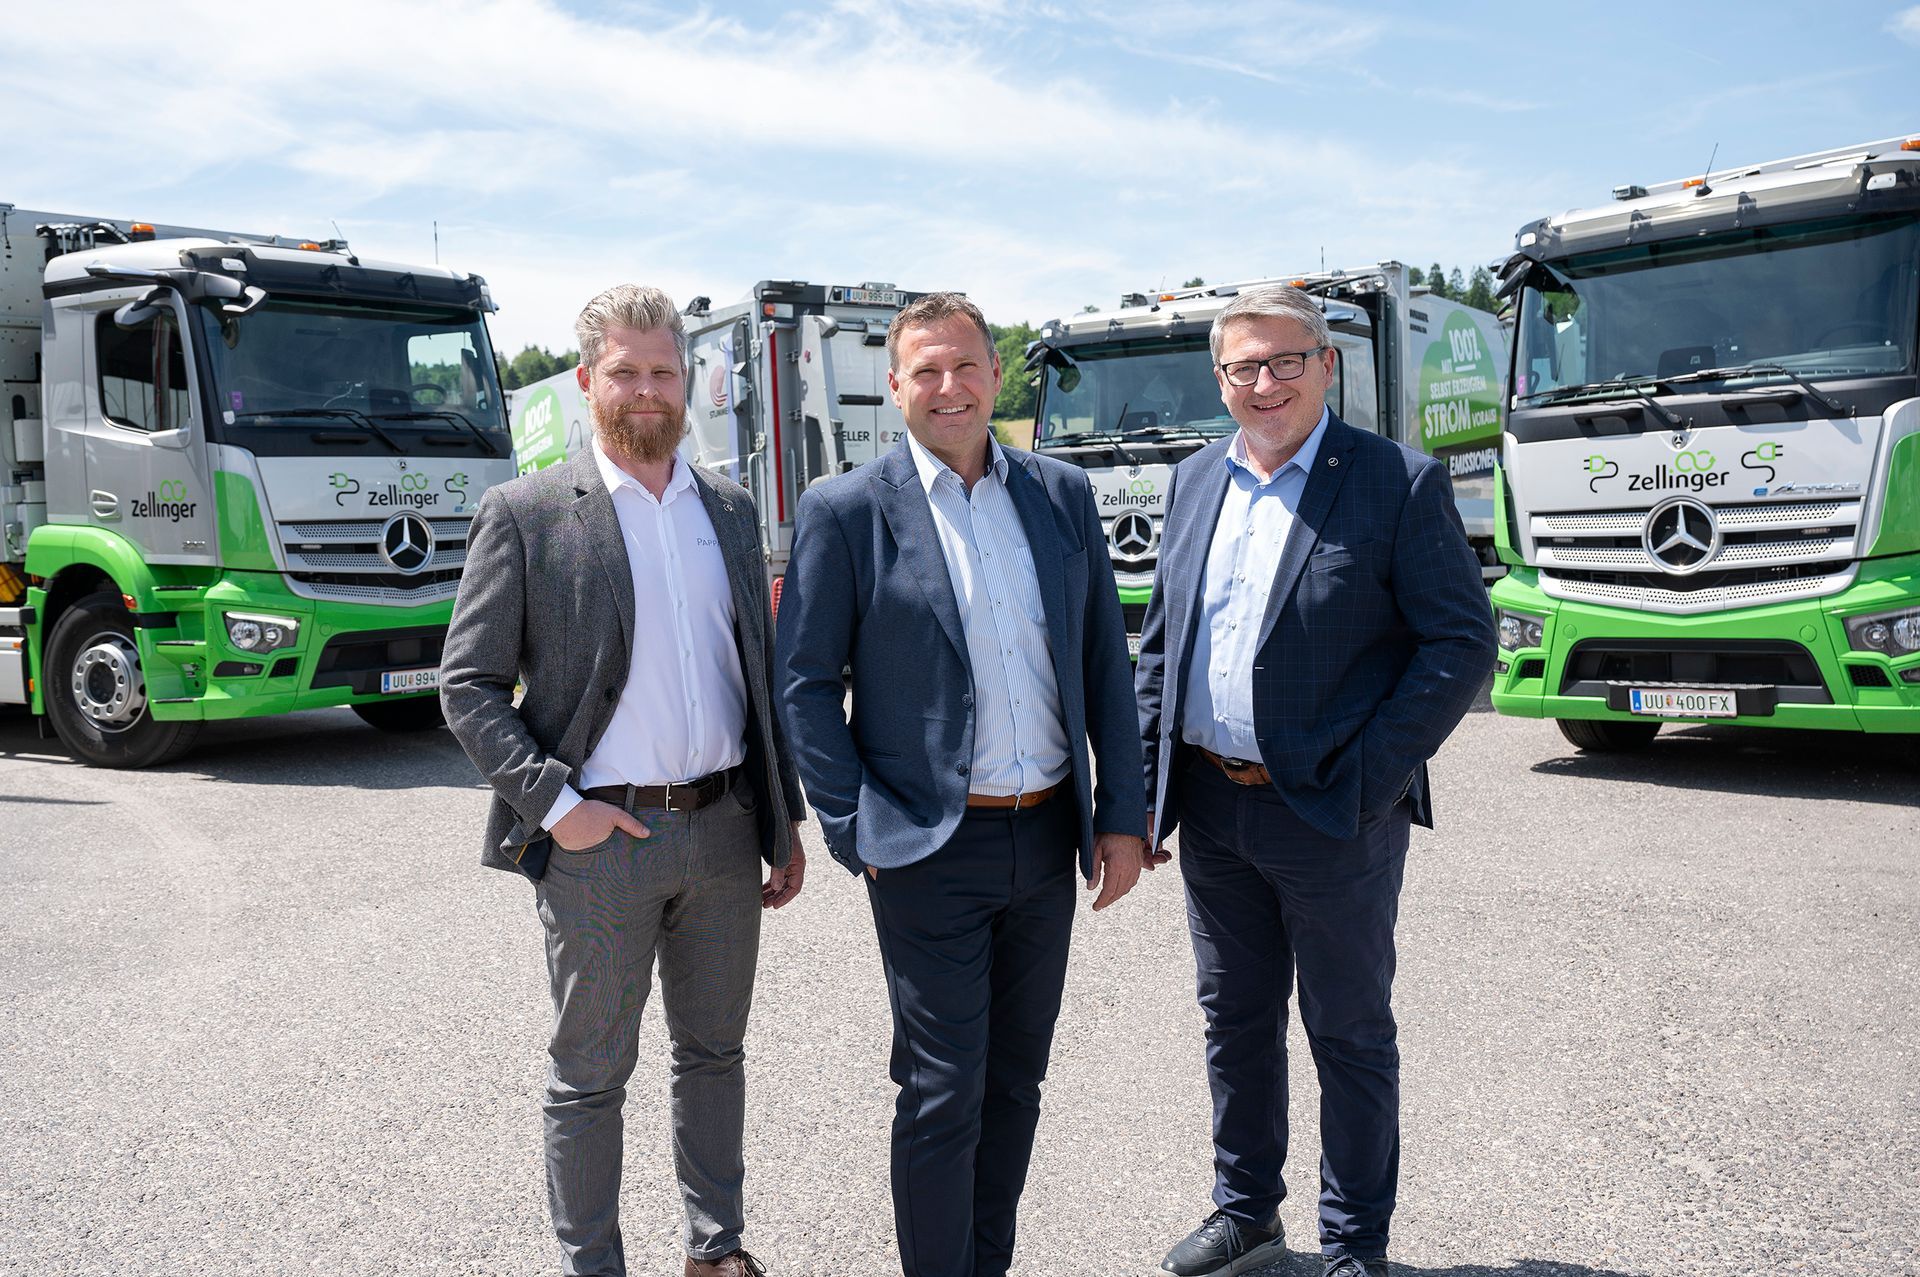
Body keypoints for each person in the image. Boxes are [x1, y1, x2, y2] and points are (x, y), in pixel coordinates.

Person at [774, 292, 1147, 1277]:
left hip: (1046, 842)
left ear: (997, 376)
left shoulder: (1060, 495)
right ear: (896, 386)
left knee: (1016, 1082)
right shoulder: (846, 511)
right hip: (928, 847)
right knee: (944, 1088)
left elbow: (1106, 661)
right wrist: (860, 829)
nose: (949, 387)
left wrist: (1123, 818)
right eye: (926, 371)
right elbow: (804, 683)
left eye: (967, 366)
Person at [441, 283, 806, 1277]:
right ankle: (593, 1262)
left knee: (715, 1056)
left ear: (686, 381)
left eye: (663, 371)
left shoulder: (728, 511)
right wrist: (559, 807)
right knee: (590, 1076)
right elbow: (468, 685)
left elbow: (758, 679)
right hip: (602, 843)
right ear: (585, 380)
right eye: (626, 372)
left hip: (727, 831)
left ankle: (714, 1247)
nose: (647, 391)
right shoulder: (525, 513)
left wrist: (783, 821)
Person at [1135, 284, 1496, 1277]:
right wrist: (1142, 790)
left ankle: (1353, 1244)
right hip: (1212, 804)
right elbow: (1164, 647)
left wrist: (1374, 772)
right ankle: (1247, 1210)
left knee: (1348, 1030)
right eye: (1243, 367)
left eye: (1285, 359)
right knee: (1236, 1018)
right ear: (1220, 380)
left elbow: (1462, 640)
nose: (1264, 382)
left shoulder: (1394, 481)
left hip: (1336, 810)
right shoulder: (1194, 480)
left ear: (1326, 364)